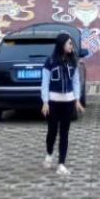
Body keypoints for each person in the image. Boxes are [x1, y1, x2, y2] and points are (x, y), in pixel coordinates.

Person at [41, 33, 84, 175]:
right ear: (62, 45)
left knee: (64, 133)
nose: (71, 46)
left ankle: (61, 164)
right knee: (52, 131)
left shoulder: (73, 62)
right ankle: (49, 154)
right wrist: (45, 102)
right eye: (69, 43)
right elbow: (45, 83)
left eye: (71, 44)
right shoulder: (50, 62)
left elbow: (76, 82)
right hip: (53, 102)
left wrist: (77, 100)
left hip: (68, 102)